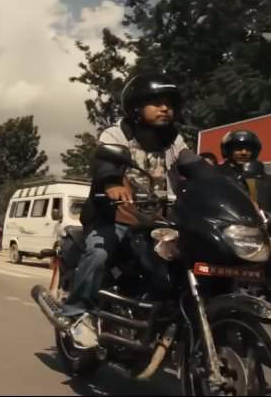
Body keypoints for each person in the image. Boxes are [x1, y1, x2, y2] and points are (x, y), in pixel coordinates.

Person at [59, 73, 194, 346]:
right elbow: (105, 162)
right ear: (135, 107)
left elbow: (194, 165)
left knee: (185, 262)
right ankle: (78, 313)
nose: (165, 108)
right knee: (98, 253)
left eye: (168, 103)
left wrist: (222, 185)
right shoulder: (117, 133)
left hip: (159, 222)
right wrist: (111, 184)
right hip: (115, 216)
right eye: (156, 102)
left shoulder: (174, 139)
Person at [218, 129, 271, 213]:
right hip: (227, 221)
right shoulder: (216, 172)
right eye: (239, 148)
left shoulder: (262, 177)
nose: (244, 152)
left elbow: (258, 200)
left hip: (259, 223)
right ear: (228, 150)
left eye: (248, 149)